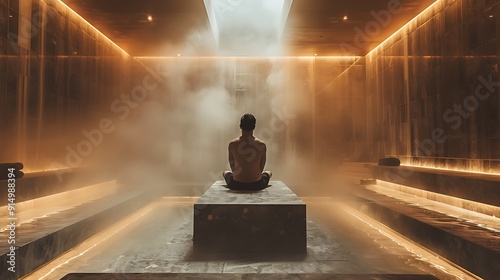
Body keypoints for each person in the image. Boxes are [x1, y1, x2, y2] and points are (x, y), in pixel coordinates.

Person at [223, 114, 272, 190]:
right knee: (269, 172)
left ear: (240, 126)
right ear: (254, 127)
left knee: (226, 172)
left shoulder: (232, 144)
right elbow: (261, 169)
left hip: (236, 184)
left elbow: (233, 168)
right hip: (257, 184)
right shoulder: (261, 145)